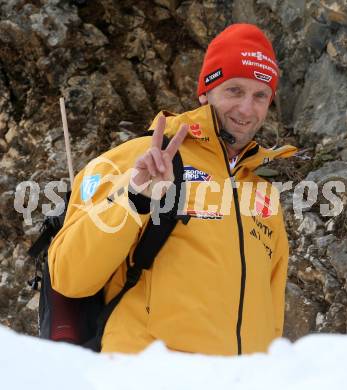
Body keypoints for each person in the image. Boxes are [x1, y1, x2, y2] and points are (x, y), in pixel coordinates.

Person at [48, 24, 297, 355]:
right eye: (234, 91)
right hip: (148, 373)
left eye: (260, 95)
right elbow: (69, 276)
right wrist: (135, 197)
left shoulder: (263, 194)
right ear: (205, 92)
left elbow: (272, 320)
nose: (247, 110)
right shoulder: (137, 158)